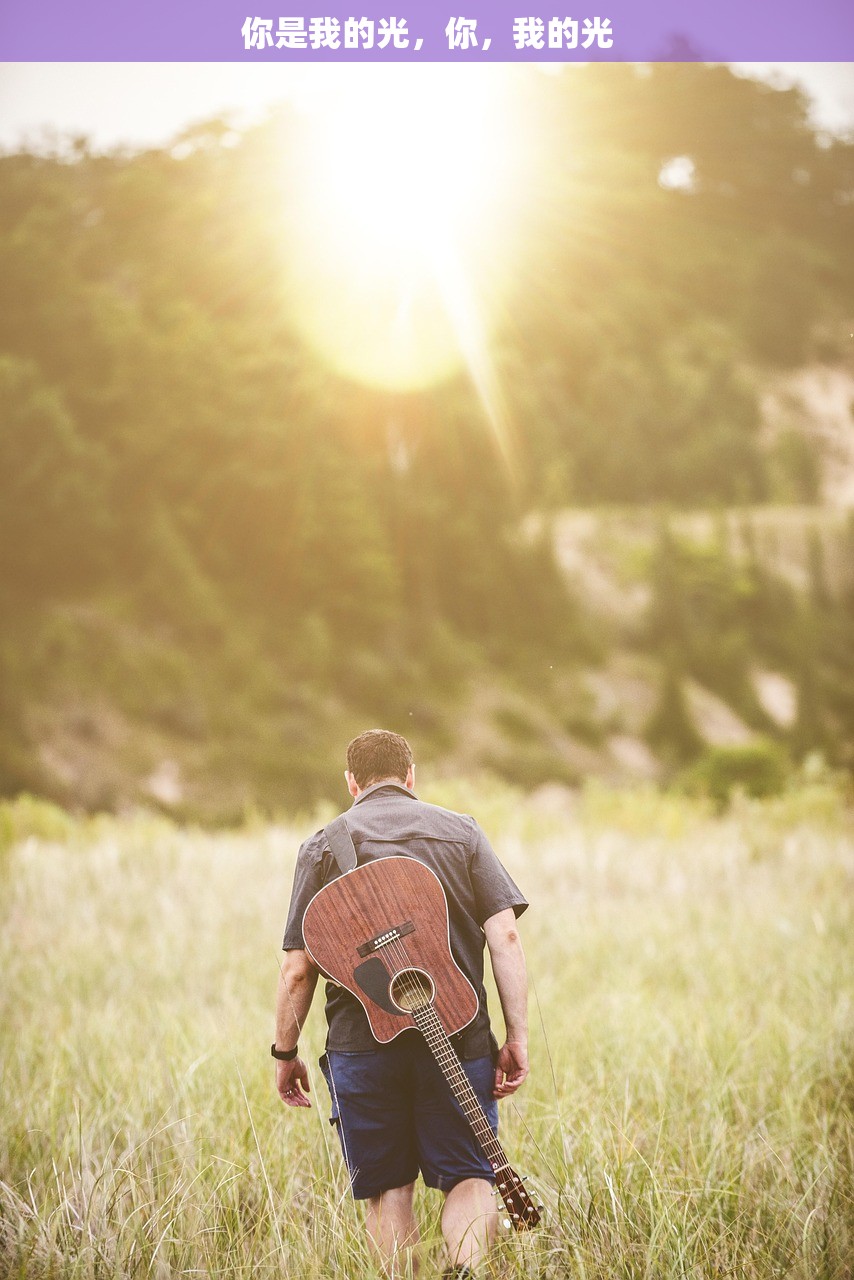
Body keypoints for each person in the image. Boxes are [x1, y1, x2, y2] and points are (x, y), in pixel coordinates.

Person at [273, 729, 530, 1277]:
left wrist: (284, 1053)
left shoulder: (322, 846)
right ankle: (465, 1271)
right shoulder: (461, 833)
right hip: (458, 1033)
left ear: (351, 783)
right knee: (469, 1175)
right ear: (411, 777)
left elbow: (297, 970)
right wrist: (517, 1037)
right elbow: (505, 937)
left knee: (390, 1188)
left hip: (362, 1046)